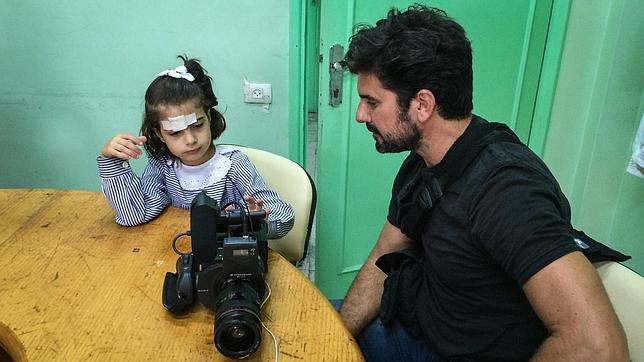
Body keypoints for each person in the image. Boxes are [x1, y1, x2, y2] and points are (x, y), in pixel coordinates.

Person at [337, 5, 629, 361]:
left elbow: (598, 347)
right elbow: (385, 254)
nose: (360, 115)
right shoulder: (423, 163)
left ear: (422, 105)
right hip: (418, 319)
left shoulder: (506, 191)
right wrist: (334, 338)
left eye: (371, 102)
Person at [97, 55, 294, 239]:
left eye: (197, 125)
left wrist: (252, 220)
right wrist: (112, 163)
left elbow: (284, 216)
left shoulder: (234, 165)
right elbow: (134, 215)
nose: (190, 140)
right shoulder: (162, 167)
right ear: (159, 134)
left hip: (228, 263)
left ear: (208, 118)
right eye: (175, 133)